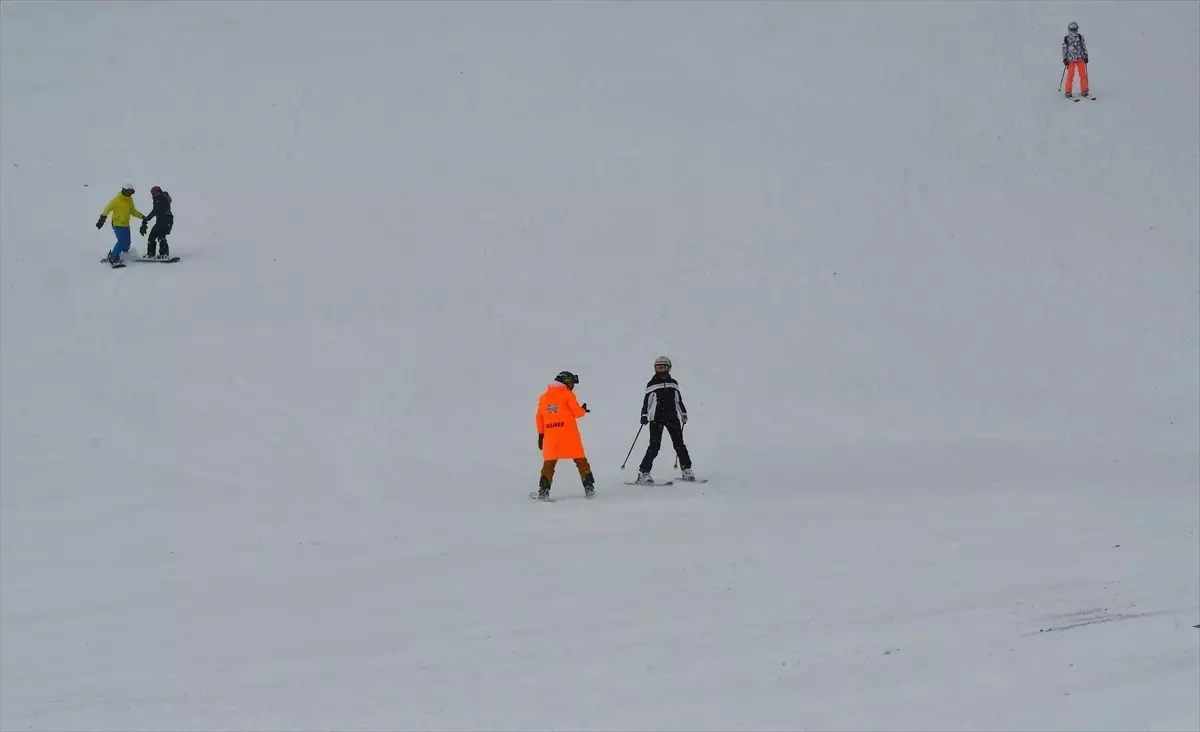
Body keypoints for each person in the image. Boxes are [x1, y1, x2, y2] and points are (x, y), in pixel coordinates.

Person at [635, 356, 696, 484]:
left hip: (672, 417)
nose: (660, 370)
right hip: (656, 418)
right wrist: (644, 415)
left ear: (668, 368)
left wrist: (683, 413)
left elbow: (678, 400)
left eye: (662, 367)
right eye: (657, 367)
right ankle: (644, 472)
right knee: (654, 446)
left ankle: (686, 469)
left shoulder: (673, 383)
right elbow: (647, 402)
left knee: (679, 445)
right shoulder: (651, 384)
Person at [535, 371, 594, 500]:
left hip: (551, 436)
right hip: (569, 435)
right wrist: (583, 410)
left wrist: (541, 434)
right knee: (580, 461)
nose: (572, 386)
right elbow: (577, 413)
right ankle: (589, 487)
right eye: (571, 383)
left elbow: (539, 418)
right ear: (566, 383)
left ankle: (543, 490)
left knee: (549, 464)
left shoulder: (543, 397)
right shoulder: (568, 395)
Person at [96, 183, 145, 264]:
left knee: (127, 243)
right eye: (129, 192)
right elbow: (107, 209)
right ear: (124, 190)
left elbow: (133, 211)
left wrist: (142, 217)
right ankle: (113, 258)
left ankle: (123, 254)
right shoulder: (116, 200)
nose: (130, 194)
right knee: (121, 241)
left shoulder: (129, 199)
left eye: (132, 192)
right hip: (117, 224)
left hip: (126, 224)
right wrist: (102, 219)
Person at [139, 186, 174, 259]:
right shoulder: (156, 200)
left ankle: (164, 254)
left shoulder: (163, 198)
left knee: (161, 236)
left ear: (159, 192)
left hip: (167, 220)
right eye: (153, 193)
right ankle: (151, 253)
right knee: (152, 236)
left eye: (155, 193)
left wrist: (147, 219)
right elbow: (154, 211)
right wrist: (146, 219)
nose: (154, 195)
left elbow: (159, 210)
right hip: (160, 221)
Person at [1062, 21, 1089, 99]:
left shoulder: (1080, 37)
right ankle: (1068, 91)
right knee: (1070, 75)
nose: (1073, 31)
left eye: (1075, 29)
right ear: (1069, 29)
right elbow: (1064, 49)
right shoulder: (1066, 38)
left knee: (1083, 75)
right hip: (1071, 60)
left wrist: (1085, 56)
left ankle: (1084, 90)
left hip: (1080, 59)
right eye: (1072, 29)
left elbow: (1084, 47)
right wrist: (1065, 59)